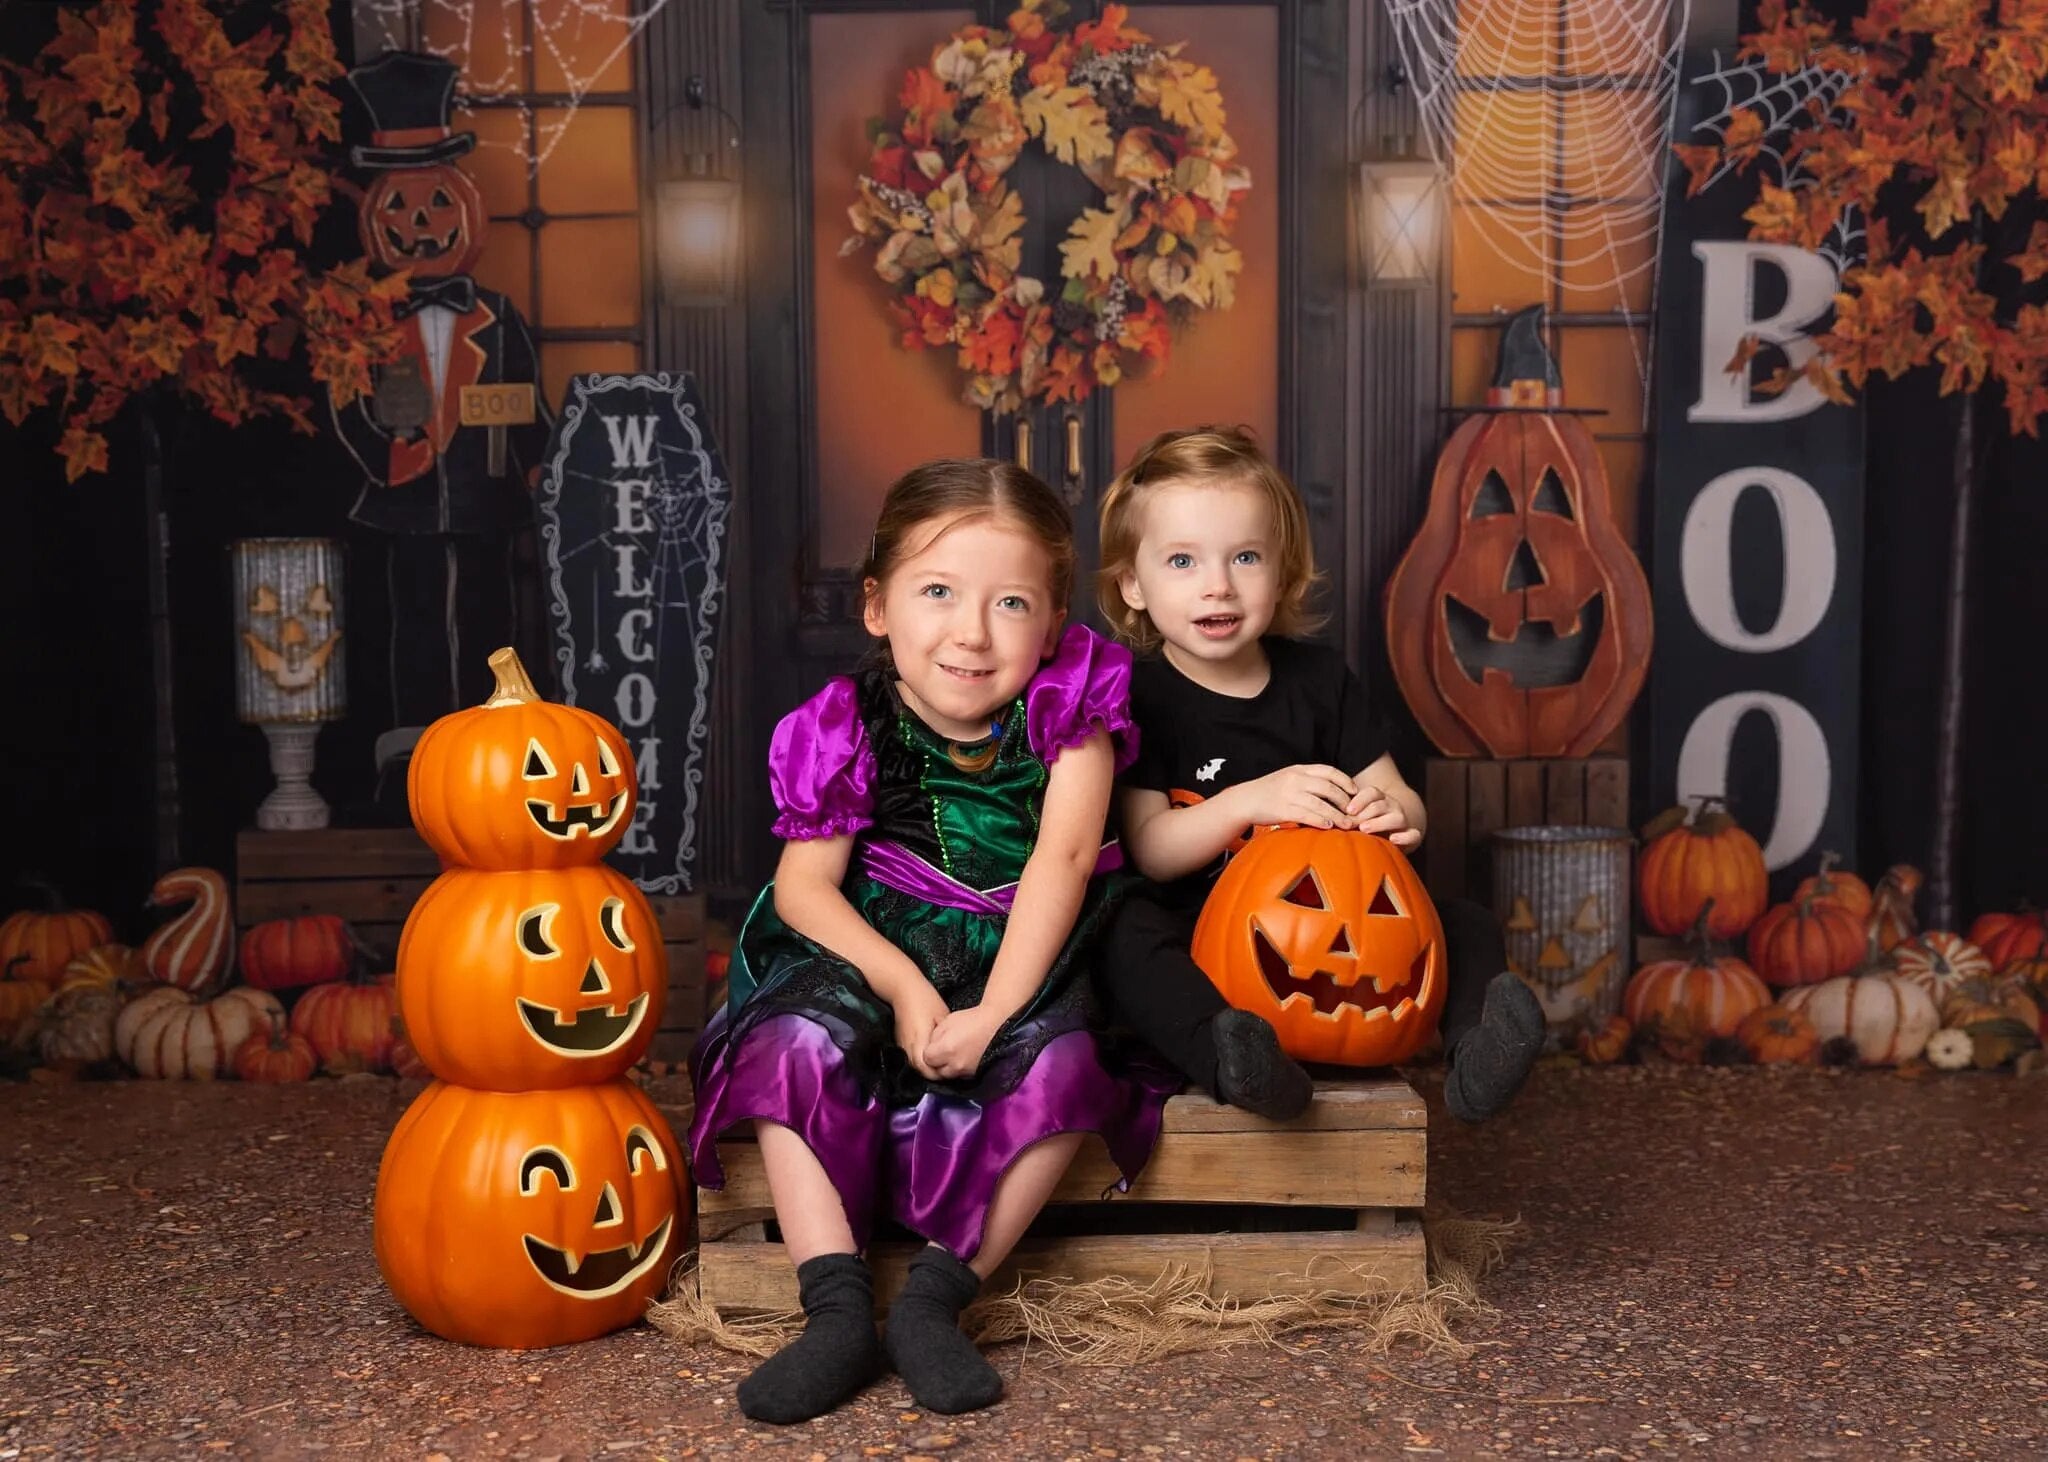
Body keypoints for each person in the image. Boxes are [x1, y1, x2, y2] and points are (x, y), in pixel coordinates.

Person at [689, 459, 1176, 1424]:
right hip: (872, 940)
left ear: (1050, 624)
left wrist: (997, 1011)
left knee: (1072, 1066)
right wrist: (908, 990)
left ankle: (936, 1300)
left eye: (1011, 603)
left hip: (1025, 944)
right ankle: (832, 1307)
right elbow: (804, 891)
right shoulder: (845, 723)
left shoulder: (1071, 717)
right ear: (877, 607)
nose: (971, 631)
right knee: (793, 1045)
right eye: (938, 592)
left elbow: (1063, 863)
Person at [1095, 426, 1546, 1124]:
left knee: (1463, 922)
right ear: (1134, 585)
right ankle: (1234, 1060)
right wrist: (1253, 799)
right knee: (1121, 932)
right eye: (1182, 561)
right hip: (1199, 937)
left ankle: (1476, 1053)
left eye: (1245, 557)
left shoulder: (1318, 680)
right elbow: (1150, 848)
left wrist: (1396, 814)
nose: (1218, 585)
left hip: (1337, 925)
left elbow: (1398, 794)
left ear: (1282, 573)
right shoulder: (1136, 696)